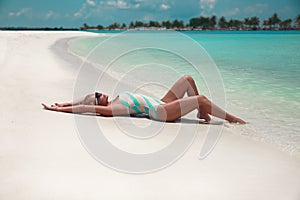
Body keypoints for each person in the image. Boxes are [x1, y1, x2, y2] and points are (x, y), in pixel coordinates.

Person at [42, 75, 246, 124]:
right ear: (98, 104)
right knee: (200, 98)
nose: (100, 93)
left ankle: (202, 112)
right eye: (97, 96)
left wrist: (65, 102)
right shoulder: (111, 109)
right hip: (162, 113)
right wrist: (60, 110)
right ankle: (232, 119)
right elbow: (85, 108)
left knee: (187, 79)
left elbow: (81, 103)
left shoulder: (116, 99)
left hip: (161, 102)